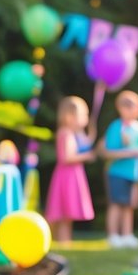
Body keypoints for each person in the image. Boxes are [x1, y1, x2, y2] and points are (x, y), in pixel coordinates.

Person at [98, 90, 138, 248]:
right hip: (117, 172)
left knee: (129, 205)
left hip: (134, 174)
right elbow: (108, 152)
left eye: (137, 106)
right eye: (130, 106)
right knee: (116, 204)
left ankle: (127, 234)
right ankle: (113, 235)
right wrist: (130, 151)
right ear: (120, 108)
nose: (135, 109)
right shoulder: (116, 127)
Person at [44, 96, 96, 242]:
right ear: (69, 116)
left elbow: (85, 142)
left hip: (72, 174)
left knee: (68, 211)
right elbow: (66, 157)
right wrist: (86, 156)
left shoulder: (74, 133)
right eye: (83, 114)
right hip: (66, 175)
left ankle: (66, 240)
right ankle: (61, 239)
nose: (86, 118)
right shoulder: (65, 133)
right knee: (63, 210)